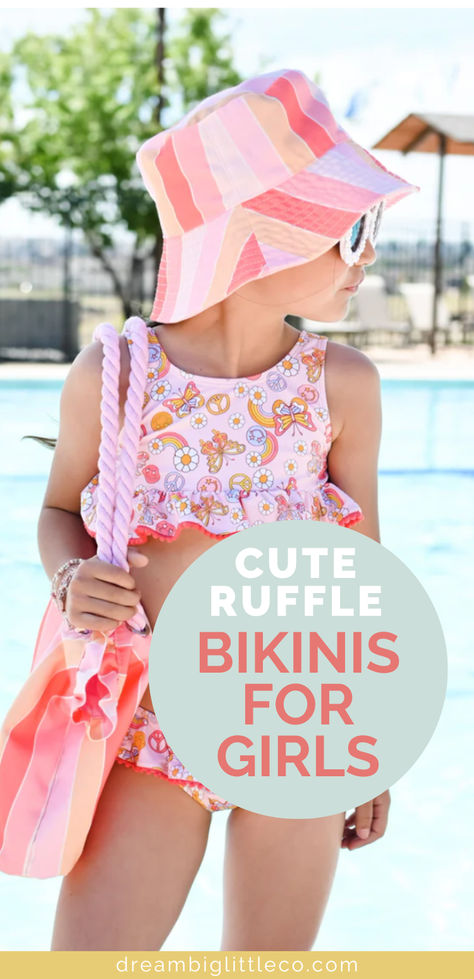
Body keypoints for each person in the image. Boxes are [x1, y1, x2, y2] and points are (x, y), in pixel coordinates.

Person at [37, 69, 418, 951]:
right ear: (268, 238)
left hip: (301, 721)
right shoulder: (116, 376)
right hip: (149, 726)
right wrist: (70, 575)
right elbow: (61, 508)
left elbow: (367, 583)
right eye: (354, 230)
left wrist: (374, 743)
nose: (368, 258)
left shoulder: (342, 387)